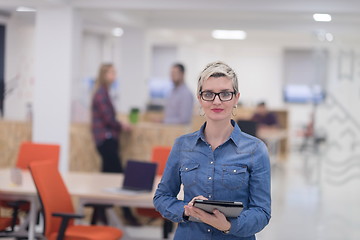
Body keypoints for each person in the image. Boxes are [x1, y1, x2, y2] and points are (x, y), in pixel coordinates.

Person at [154, 61, 271, 239]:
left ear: (236, 98)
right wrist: (186, 210)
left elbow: (262, 212)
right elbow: (162, 197)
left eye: (225, 94)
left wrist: (228, 225)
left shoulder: (256, 149)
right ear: (200, 98)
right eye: (209, 94)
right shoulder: (182, 145)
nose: (217, 101)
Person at [91, 63, 139, 226]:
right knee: (119, 177)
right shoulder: (101, 94)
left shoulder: (104, 93)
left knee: (106, 178)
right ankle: (127, 214)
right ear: (104, 74)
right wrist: (122, 126)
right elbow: (108, 119)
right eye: (111, 72)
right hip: (106, 140)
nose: (114, 75)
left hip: (108, 140)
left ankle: (100, 215)